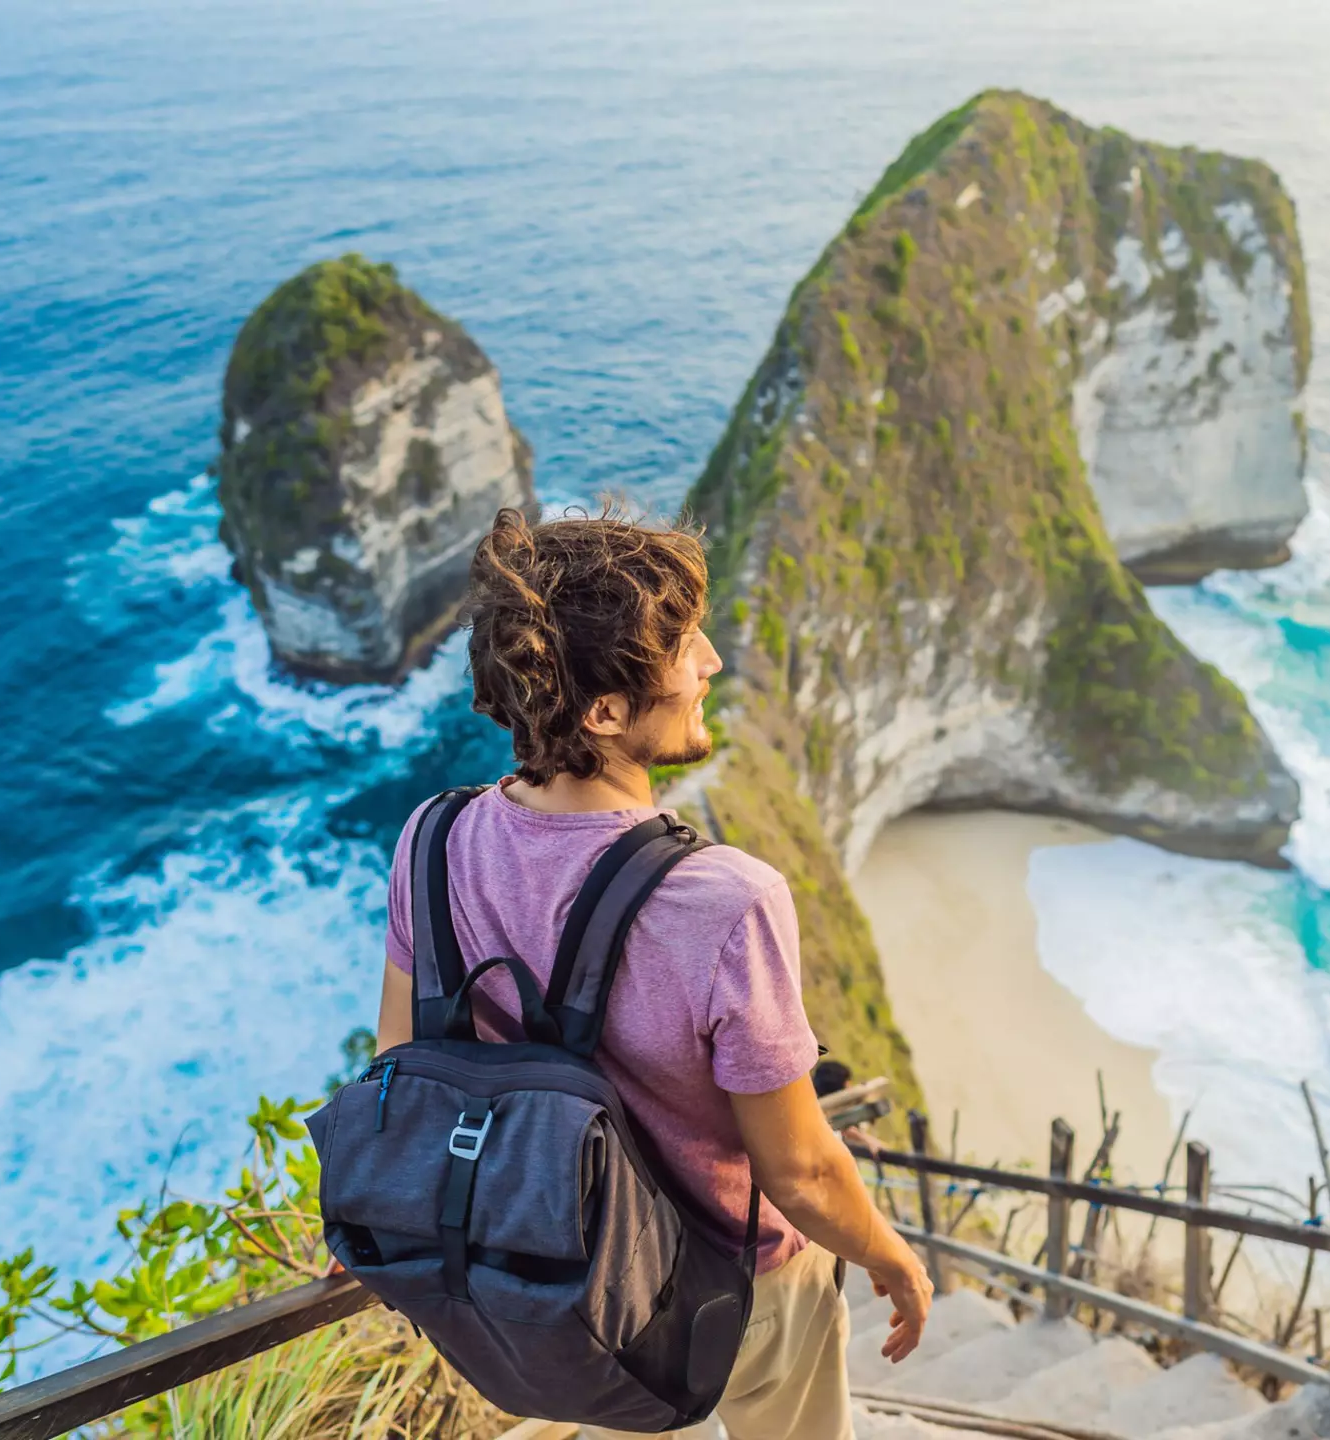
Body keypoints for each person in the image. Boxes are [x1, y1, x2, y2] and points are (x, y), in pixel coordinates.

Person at [371, 507, 930, 1440]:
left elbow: (399, 1062)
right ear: (603, 712)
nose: (710, 660)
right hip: (735, 1284)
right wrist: (891, 1257)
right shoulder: (724, 899)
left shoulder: (431, 839)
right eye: (681, 647)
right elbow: (796, 1171)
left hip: (556, 1268)